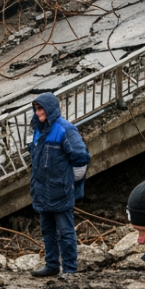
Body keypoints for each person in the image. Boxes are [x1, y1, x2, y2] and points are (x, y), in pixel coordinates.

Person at [27, 92, 90, 277]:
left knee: (65, 231)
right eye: (37, 109)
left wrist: (71, 183)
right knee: (47, 230)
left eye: (41, 108)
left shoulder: (65, 129)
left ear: (51, 109)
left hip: (60, 190)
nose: (39, 112)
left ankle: (70, 269)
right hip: (42, 189)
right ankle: (52, 264)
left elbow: (80, 157)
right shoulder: (38, 130)